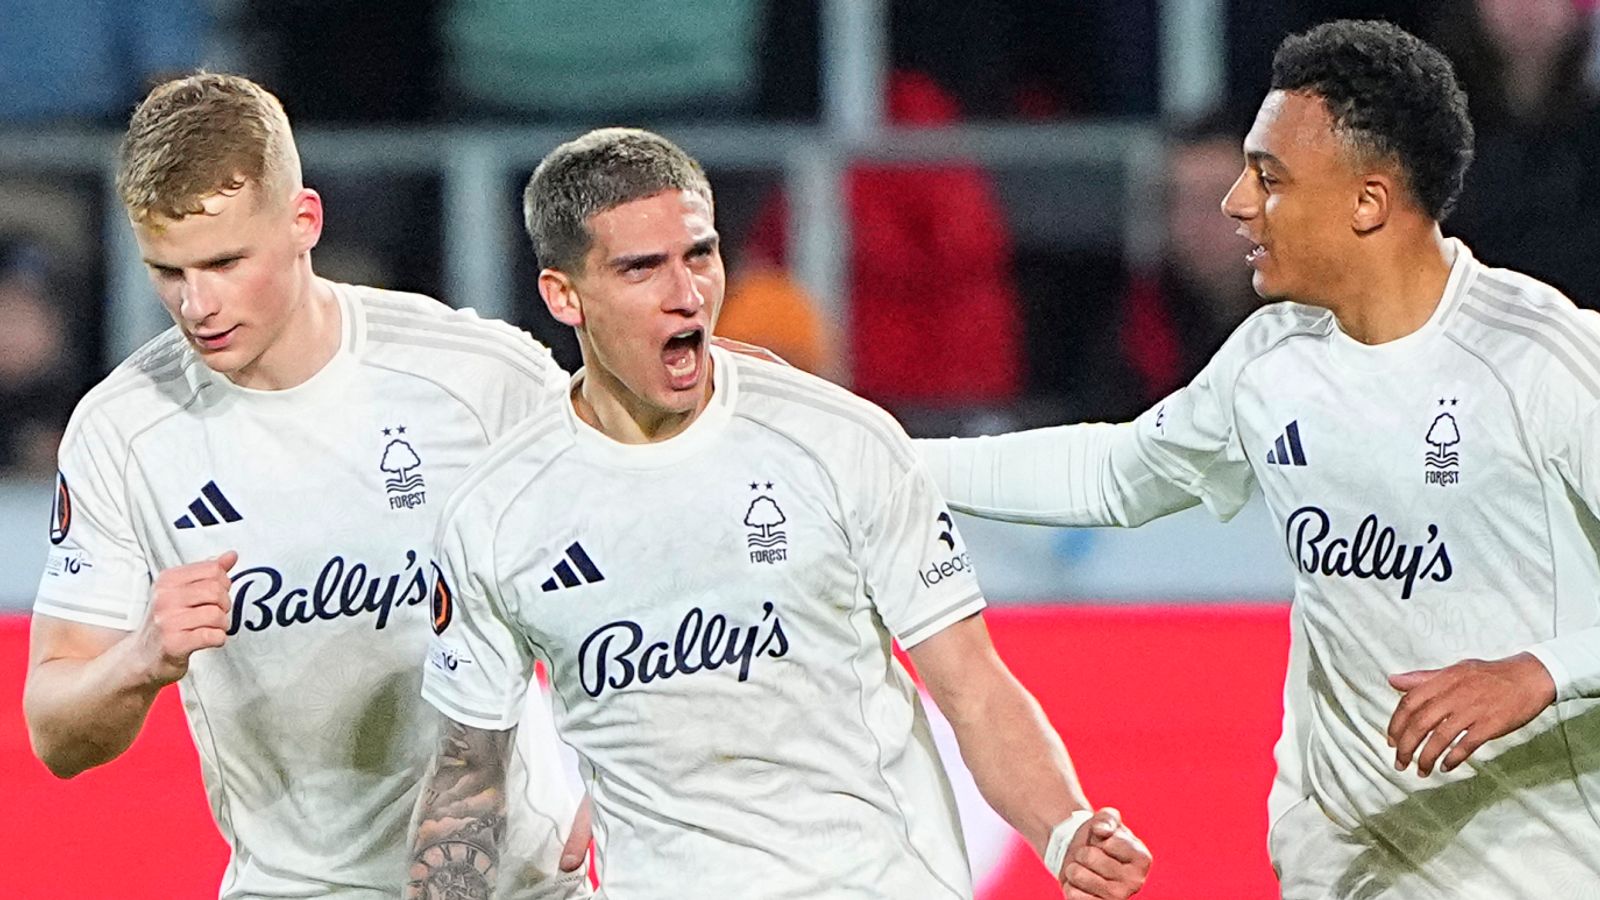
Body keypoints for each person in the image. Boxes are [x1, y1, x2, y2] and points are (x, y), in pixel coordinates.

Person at [919, 19, 1600, 899]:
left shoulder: (1547, 362)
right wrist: (873, 452)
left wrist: (1539, 672)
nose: (1237, 202)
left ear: (1368, 202)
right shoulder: (1273, 356)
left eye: (1269, 178)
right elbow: (1115, 473)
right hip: (1346, 867)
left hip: (1537, 869)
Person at [409, 127, 1152, 900]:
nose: (686, 294)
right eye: (642, 268)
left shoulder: (839, 440)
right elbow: (469, 776)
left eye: (699, 255)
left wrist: (1064, 831)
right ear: (565, 296)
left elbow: (974, 687)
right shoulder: (497, 513)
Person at [21, 73, 590, 899]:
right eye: (167, 271)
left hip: (522, 886)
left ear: (304, 222)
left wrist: (625, 768)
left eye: (224, 261)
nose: (197, 304)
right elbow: (55, 730)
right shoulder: (123, 432)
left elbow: (653, 565)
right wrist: (143, 658)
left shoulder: (475, 380)